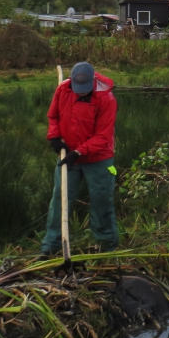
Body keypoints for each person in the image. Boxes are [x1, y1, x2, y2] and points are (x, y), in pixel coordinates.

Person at [41, 62, 119, 255]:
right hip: (68, 157)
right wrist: (55, 139)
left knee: (101, 201)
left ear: (93, 81)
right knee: (60, 199)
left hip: (99, 159)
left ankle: (106, 246)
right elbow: (53, 117)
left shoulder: (106, 99)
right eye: (78, 89)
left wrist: (79, 152)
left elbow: (103, 136)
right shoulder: (63, 90)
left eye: (84, 90)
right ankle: (51, 246)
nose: (81, 93)